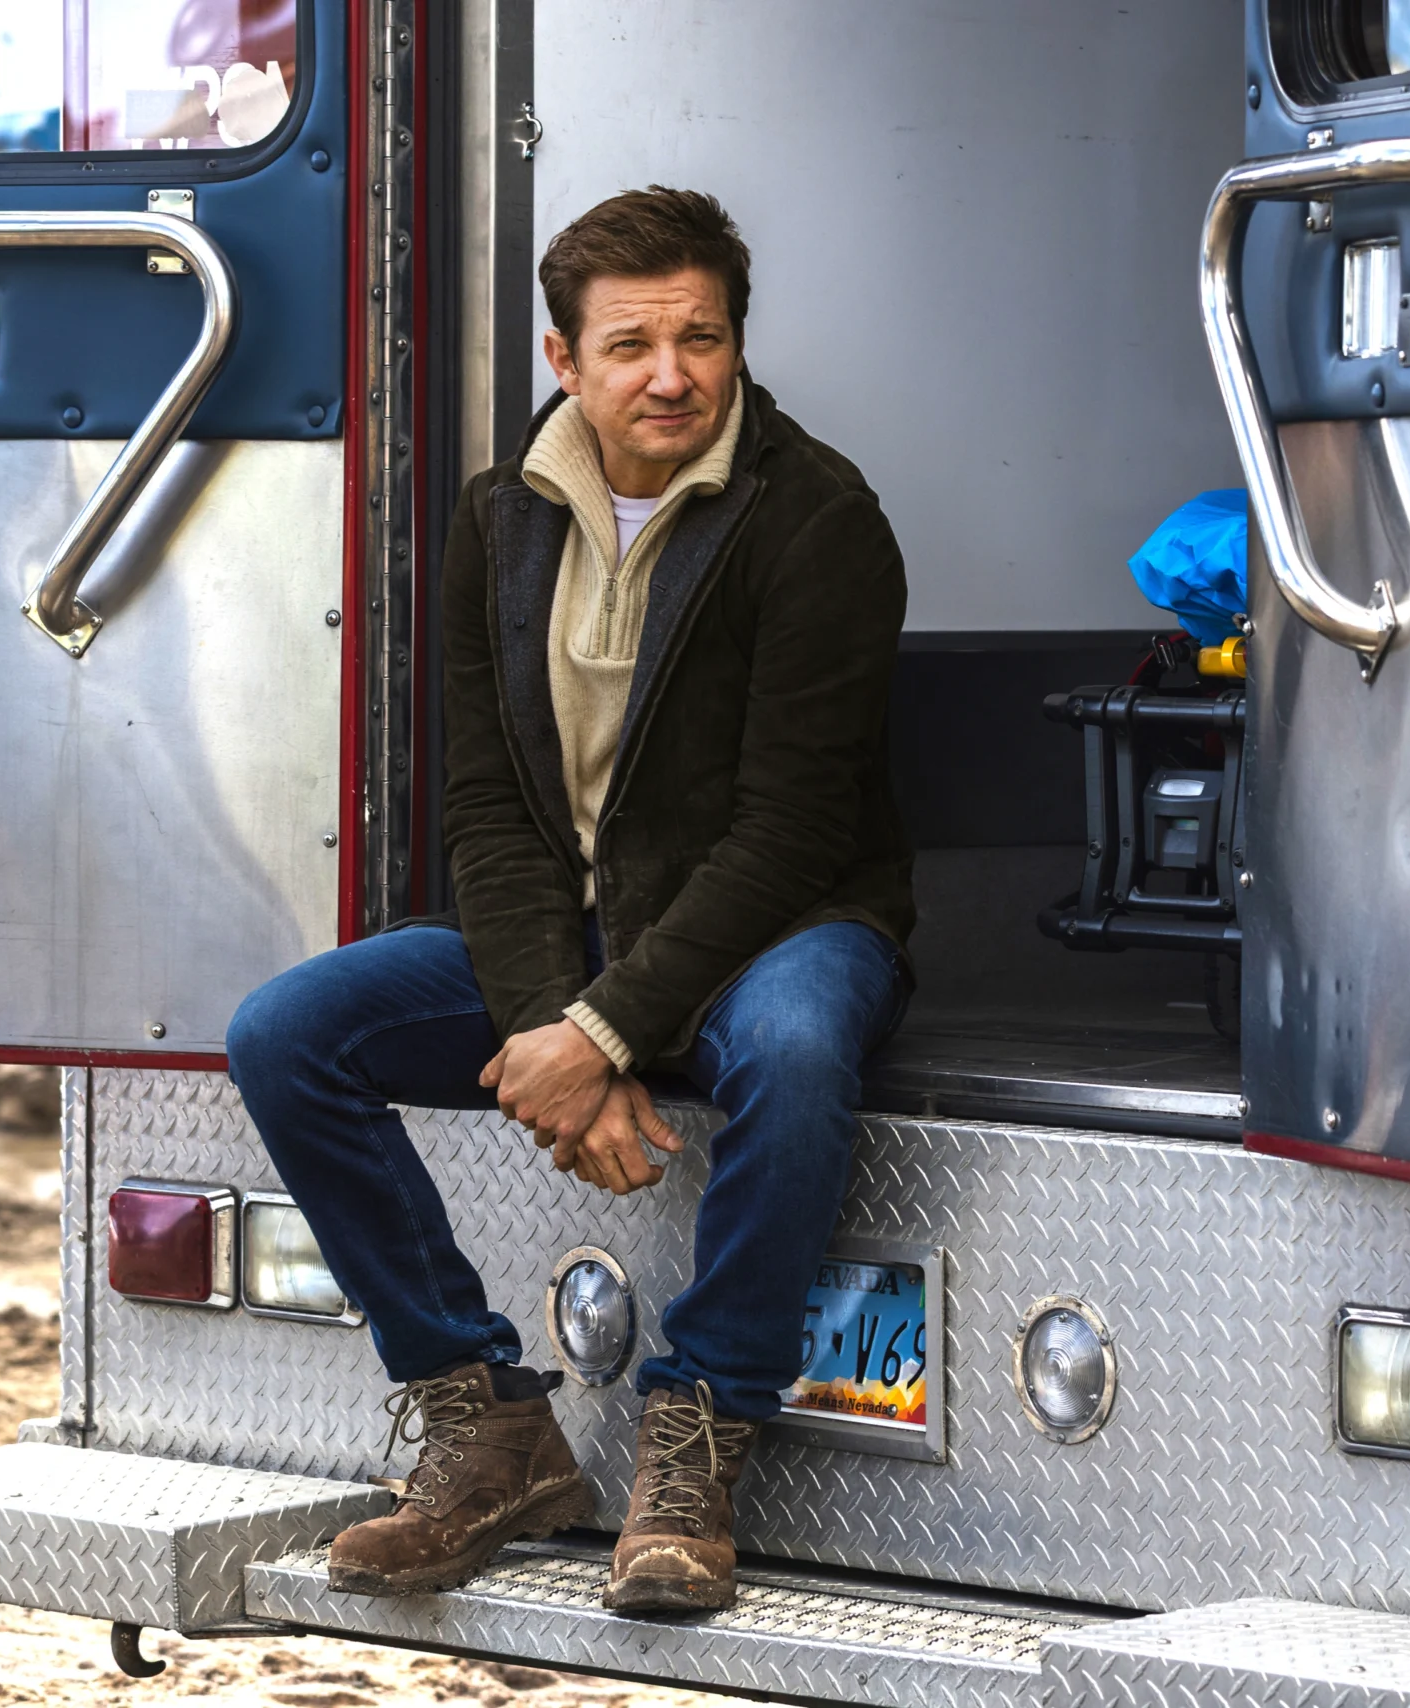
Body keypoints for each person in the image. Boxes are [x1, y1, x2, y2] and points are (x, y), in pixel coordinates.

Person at [226, 186, 914, 1614]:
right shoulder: (501, 517)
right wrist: (557, 1026)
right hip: (582, 937)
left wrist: (599, 1034)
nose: (671, 375)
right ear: (564, 358)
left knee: (795, 1049)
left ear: (737, 343)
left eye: (700, 339)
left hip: (782, 925)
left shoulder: (820, 518)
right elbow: (490, 807)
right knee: (287, 1032)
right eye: (630, 345)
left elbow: (795, 832)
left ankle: (699, 1435)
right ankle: (487, 1425)